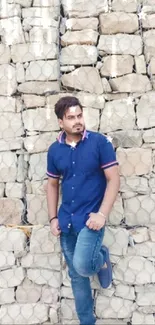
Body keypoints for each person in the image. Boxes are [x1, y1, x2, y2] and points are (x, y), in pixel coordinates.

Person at [46, 96, 120, 325]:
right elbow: (51, 184)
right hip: (67, 220)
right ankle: (87, 322)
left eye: (79, 115)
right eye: (71, 118)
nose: (77, 121)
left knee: (82, 265)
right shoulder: (54, 150)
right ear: (61, 122)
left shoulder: (100, 143)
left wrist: (102, 214)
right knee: (76, 277)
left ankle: (100, 259)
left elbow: (114, 179)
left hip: (91, 220)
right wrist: (53, 218)